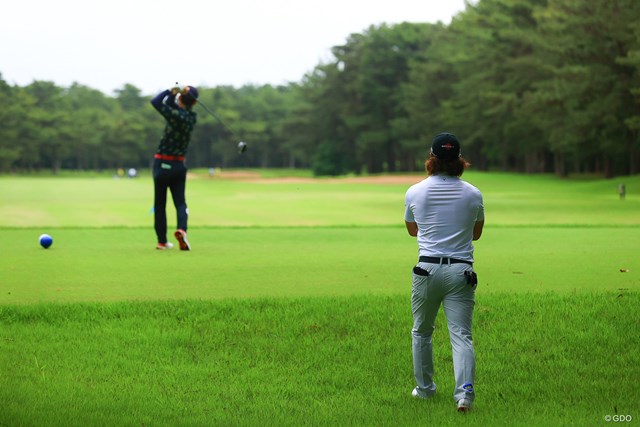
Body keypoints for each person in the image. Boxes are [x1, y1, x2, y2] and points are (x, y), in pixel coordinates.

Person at [404, 132, 484, 413]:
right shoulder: (473, 193)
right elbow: (476, 234)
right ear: (459, 160)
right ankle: (464, 396)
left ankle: (425, 390)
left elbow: (413, 229)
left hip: (426, 268)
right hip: (461, 270)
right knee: (461, 335)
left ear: (432, 158)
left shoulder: (414, 191)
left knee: (422, 331)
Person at [150, 85, 199, 250]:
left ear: (181, 99)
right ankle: (182, 230)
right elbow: (172, 106)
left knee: (159, 204)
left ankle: (162, 241)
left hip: (161, 164)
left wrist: (169, 92)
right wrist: (175, 96)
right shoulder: (191, 118)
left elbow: (156, 102)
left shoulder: (174, 115)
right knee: (180, 202)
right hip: (179, 165)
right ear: (194, 103)